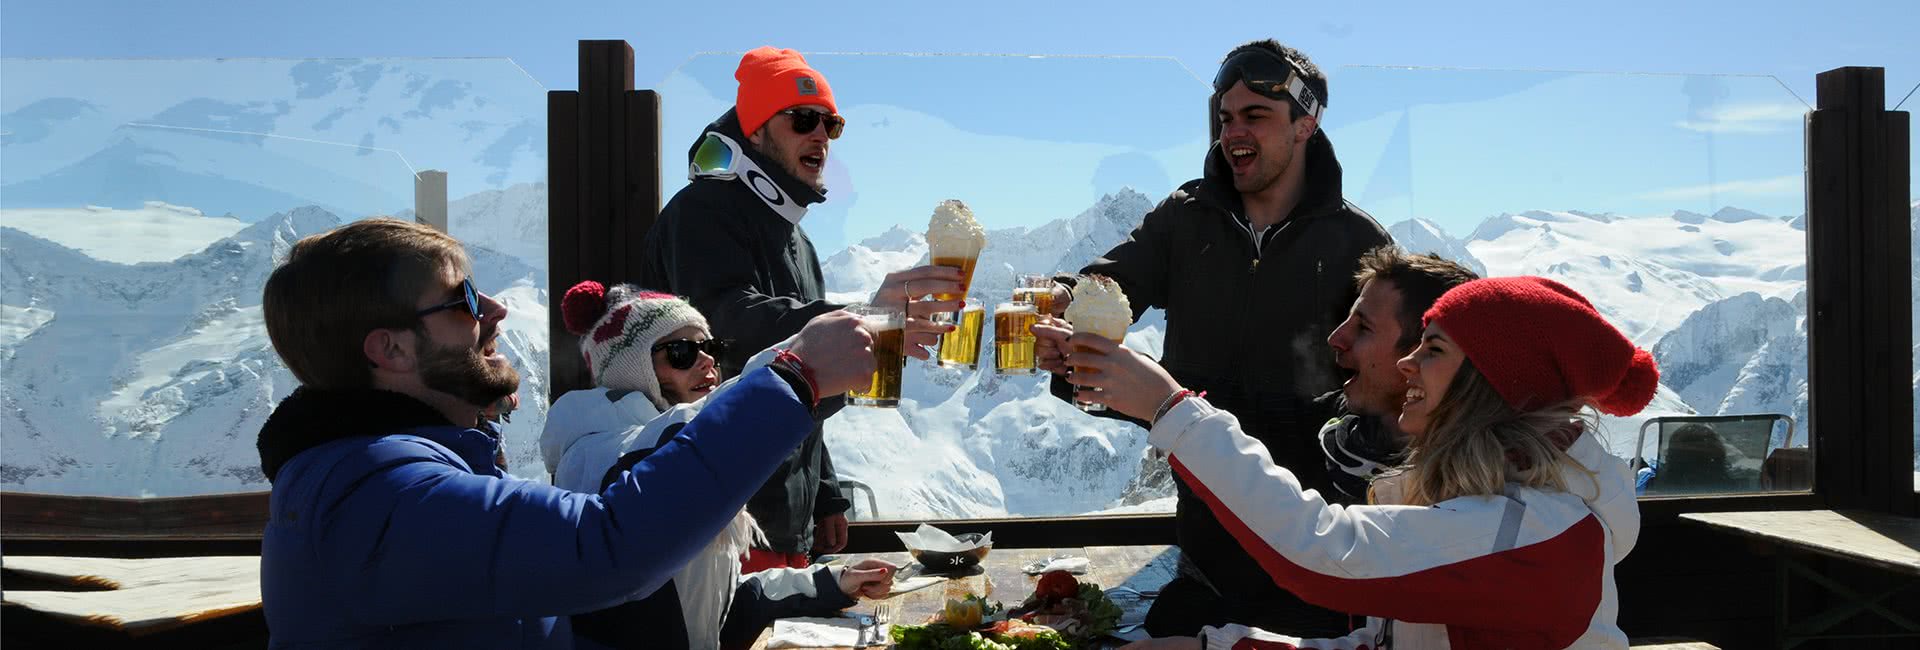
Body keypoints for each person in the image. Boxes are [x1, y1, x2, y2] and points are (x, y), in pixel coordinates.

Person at [255, 217, 876, 649]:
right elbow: (608, 545)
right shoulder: (375, 496)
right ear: (390, 349)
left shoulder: (392, 477)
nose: (496, 309)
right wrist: (794, 377)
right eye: (462, 300)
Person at [1058, 276, 1656, 649]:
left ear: (1493, 383)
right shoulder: (1490, 509)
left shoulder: (1537, 535)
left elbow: (1322, 553)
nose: (1406, 365)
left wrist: (1170, 409)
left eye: (1434, 349)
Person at [1034, 39, 1392, 637]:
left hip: (1312, 558)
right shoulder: (1187, 216)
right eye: (1227, 118)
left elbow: (1394, 389)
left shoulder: (1357, 245)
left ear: (1306, 124)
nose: (1234, 133)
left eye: (1256, 116)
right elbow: (1115, 279)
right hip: (1204, 559)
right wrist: (1067, 303)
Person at [640, 45, 962, 572]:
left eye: (831, 125)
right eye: (803, 119)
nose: (821, 135)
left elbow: (800, 372)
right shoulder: (700, 213)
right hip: (721, 520)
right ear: (755, 130)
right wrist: (861, 316)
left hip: (785, 518)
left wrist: (826, 494)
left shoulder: (797, 241)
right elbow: (727, 327)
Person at [540, 282, 894, 650]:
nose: (707, 361)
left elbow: (716, 604)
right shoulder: (597, 458)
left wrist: (835, 582)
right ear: (633, 370)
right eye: (681, 352)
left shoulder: (679, 450)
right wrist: (797, 365)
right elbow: (694, 434)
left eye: (709, 348)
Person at [1315, 247, 1479, 504]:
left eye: (1364, 327)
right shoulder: (1297, 428)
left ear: (1422, 353)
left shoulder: (1482, 495)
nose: (1336, 339)